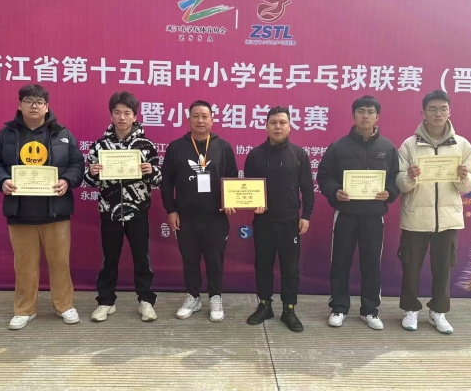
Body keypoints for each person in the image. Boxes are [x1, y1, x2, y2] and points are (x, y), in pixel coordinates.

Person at [0, 84, 84, 330]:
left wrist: (67, 180)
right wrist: (2, 180)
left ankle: (65, 306)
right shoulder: (6, 134)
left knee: (60, 263)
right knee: (24, 265)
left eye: (39, 102)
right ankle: (24, 309)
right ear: (19, 105)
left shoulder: (62, 133)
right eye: (28, 101)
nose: (34, 106)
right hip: (20, 212)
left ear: (47, 107)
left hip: (56, 212)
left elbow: (77, 164)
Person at [396, 90, 471, 334]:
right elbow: (399, 182)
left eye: (443, 108)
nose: (438, 113)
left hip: (448, 219)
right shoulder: (409, 145)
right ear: (423, 112)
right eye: (432, 109)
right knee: (411, 267)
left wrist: (463, 177)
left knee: (443, 269)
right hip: (415, 218)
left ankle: (438, 312)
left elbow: (469, 184)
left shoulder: (462, 145)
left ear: (449, 112)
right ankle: (410, 310)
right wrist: (409, 177)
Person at [317, 95, 399, 330]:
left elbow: (396, 178)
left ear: (377, 117)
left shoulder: (387, 147)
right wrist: (335, 191)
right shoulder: (339, 146)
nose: (365, 116)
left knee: (371, 264)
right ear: (353, 115)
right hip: (345, 214)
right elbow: (324, 176)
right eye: (361, 111)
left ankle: (370, 310)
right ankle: (339, 307)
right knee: (340, 262)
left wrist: (389, 192)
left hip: (373, 216)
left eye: (370, 112)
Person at [84, 91, 162, 322]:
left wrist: (151, 171)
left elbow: (159, 179)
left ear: (135, 116)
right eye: (117, 112)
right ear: (111, 116)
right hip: (109, 212)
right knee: (109, 259)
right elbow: (87, 181)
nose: (122, 117)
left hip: (138, 211)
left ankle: (146, 301)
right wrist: (92, 172)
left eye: (127, 113)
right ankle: (106, 301)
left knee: (142, 258)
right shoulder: (99, 146)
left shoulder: (146, 145)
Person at [160, 100, 238, 322]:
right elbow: (166, 182)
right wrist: (171, 210)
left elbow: (232, 178)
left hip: (216, 217)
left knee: (215, 260)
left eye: (205, 116)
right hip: (186, 217)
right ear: (188, 120)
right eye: (196, 116)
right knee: (190, 260)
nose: (200, 120)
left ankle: (215, 297)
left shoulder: (223, 147)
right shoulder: (176, 147)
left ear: (212, 120)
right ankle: (193, 297)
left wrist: (231, 199)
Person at [243, 106, 314, 332]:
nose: (278, 127)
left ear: (289, 126)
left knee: (290, 267)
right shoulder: (255, 155)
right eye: (273, 122)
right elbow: (247, 188)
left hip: (290, 221)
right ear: (266, 126)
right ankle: (265, 305)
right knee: (263, 265)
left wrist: (306, 216)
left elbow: (308, 189)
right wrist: (252, 203)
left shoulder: (299, 154)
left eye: (282, 122)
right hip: (263, 221)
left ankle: (289, 309)